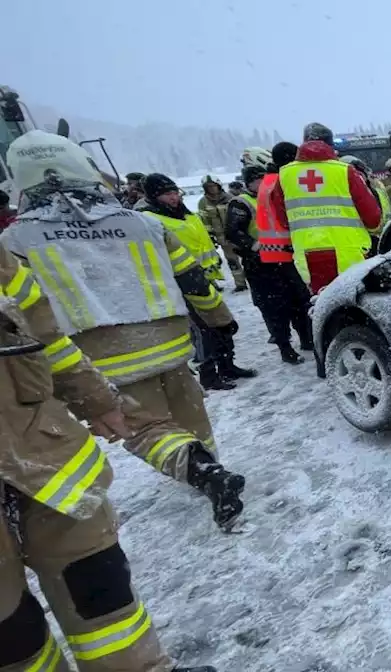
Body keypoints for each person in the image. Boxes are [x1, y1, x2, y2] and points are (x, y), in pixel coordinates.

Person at [0, 131, 247, 529]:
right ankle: (209, 460)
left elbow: (24, 317)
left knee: (143, 426)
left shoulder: (15, 240)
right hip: (169, 340)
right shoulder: (142, 224)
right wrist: (218, 317)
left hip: (103, 352)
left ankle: (204, 473)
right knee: (188, 404)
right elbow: (193, 279)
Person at [0, 248, 218, 672]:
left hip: (46, 455)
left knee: (99, 584)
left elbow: (45, 335)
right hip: (39, 446)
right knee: (11, 630)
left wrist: (94, 398)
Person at [138, 173, 257, 391]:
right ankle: (209, 375)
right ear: (154, 197)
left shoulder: (185, 214)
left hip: (205, 280)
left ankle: (227, 365)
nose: (173, 198)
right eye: (167, 194)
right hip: (182, 285)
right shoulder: (149, 220)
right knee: (202, 332)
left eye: (175, 192)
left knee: (221, 325)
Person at [268, 123, 381, 294]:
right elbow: (373, 219)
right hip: (349, 253)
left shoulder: (285, 175)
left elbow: (283, 221)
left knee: (323, 306)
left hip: (308, 257)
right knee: (354, 304)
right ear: (330, 145)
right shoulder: (345, 171)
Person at [224, 160, 313, 364]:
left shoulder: (275, 196)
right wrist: (253, 246)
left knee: (297, 301)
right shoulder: (241, 203)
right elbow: (233, 231)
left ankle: (305, 338)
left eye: (263, 178)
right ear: (248, 183)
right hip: (260, 263)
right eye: (257, 180)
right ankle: (285, 346)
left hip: (285, 258)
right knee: (274, 306)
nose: (262, 183)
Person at [197, 175, 248, 292]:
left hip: (238, 236)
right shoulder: (203, 203)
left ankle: (254, 279)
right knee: (232, 261)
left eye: (213, 186)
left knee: (247, 259)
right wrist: (210, 237)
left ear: (218, 185)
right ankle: (240, 284)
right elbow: (204, 221)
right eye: (208, 187)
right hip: (222, 239)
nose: (212, 189)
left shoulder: (230, 198)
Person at [341, 154, 391, 251]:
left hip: (384, 237)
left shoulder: (377, 185)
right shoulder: (346, 193)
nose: (359, 176)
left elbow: (387, 206)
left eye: (360, 172)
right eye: (355, 173)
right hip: (363, 240)